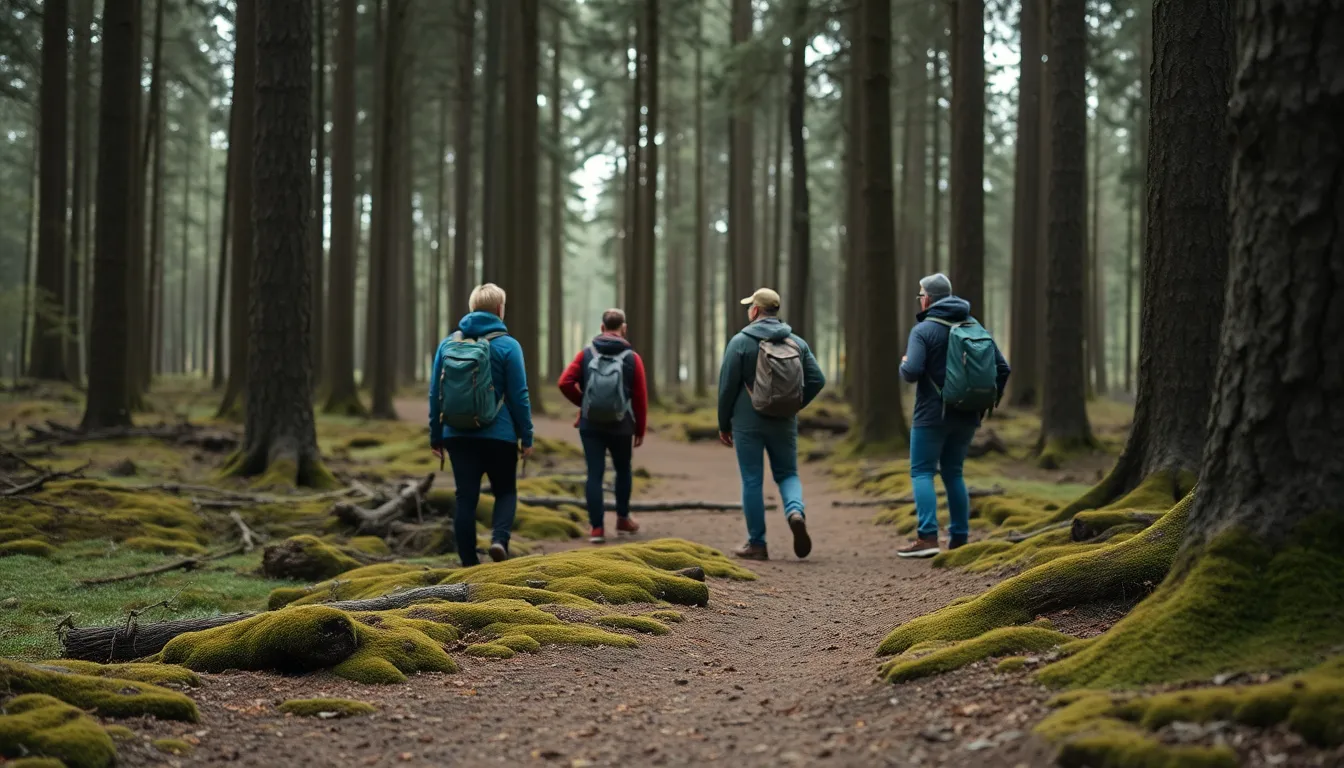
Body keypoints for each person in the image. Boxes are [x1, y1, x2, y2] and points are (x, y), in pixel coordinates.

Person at [896, 273, 1011, 558]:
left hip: (930, 415)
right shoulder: (974, 325)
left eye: (921, 295)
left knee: (922, 471)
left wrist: (904, 362)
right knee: (954, 472)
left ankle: (927, 537)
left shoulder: (923, 330)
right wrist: (986, 401)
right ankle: (959, 537)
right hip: (968, 414)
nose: (920, 300)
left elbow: (911, 372)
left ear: (928, 299)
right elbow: (1003, 368)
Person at [428, 283, 535, 566]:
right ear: (500, 309)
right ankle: (499, 540)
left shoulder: (448, 344)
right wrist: (527, 435)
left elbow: (435, 393)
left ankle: (468, 563)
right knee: (506, 491)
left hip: (457, 435)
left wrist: (436, 435)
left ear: (472, 307)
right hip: (500, 435)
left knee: (465, 498)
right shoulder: (509, 346)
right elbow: (519, 395)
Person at [717, 288, 826, 560]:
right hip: (784, 421)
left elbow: (727, 387)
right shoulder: (796, 343)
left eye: (749, 306)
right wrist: (793, 405)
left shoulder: (740, 342)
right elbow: (817, 379)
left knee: (752, 479)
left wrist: (723, 423)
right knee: (788, 473)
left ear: (755, 310)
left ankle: (757, 543)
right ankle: (795, 511)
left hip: (747, 421)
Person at [557, 309, 649, 544]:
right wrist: (640, 429)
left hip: (591, 424)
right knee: (623, 470)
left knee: (594, 473)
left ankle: (597, 528)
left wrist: (584, 403)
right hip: (622, 425)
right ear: (624, 328)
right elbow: (640, 397)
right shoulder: (632, 358)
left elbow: (564, 382)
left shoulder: (586, 354)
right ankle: (622, 519)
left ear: (602, 327)